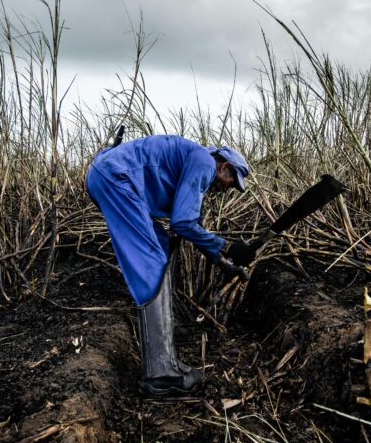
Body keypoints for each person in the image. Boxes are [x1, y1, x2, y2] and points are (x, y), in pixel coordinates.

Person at [85, 134, 258, 396]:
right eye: (232, 182)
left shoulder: (195, 160)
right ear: (224, 167)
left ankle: (163, 335)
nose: (227, 189)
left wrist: (225, 262)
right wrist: (228, 246)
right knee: (151, 258)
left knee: (161, 243)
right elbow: (183, 224)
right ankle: (161, 375)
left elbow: (187, 226)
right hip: (115, 177)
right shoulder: (204, 162)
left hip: (108, 174)